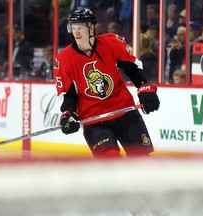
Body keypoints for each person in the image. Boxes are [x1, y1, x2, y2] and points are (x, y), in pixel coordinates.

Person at [54, 8, 160, 158]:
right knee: (111, 163)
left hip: (125, 111)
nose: (76, 32)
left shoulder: (111, 43)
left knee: (141, 160)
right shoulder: (64, 59)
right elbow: (69, 94)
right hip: (95, 121)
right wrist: (68, 114)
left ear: (91, 28)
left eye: (80, 28)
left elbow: (133, 68)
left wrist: (144, 88)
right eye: (74, 28)